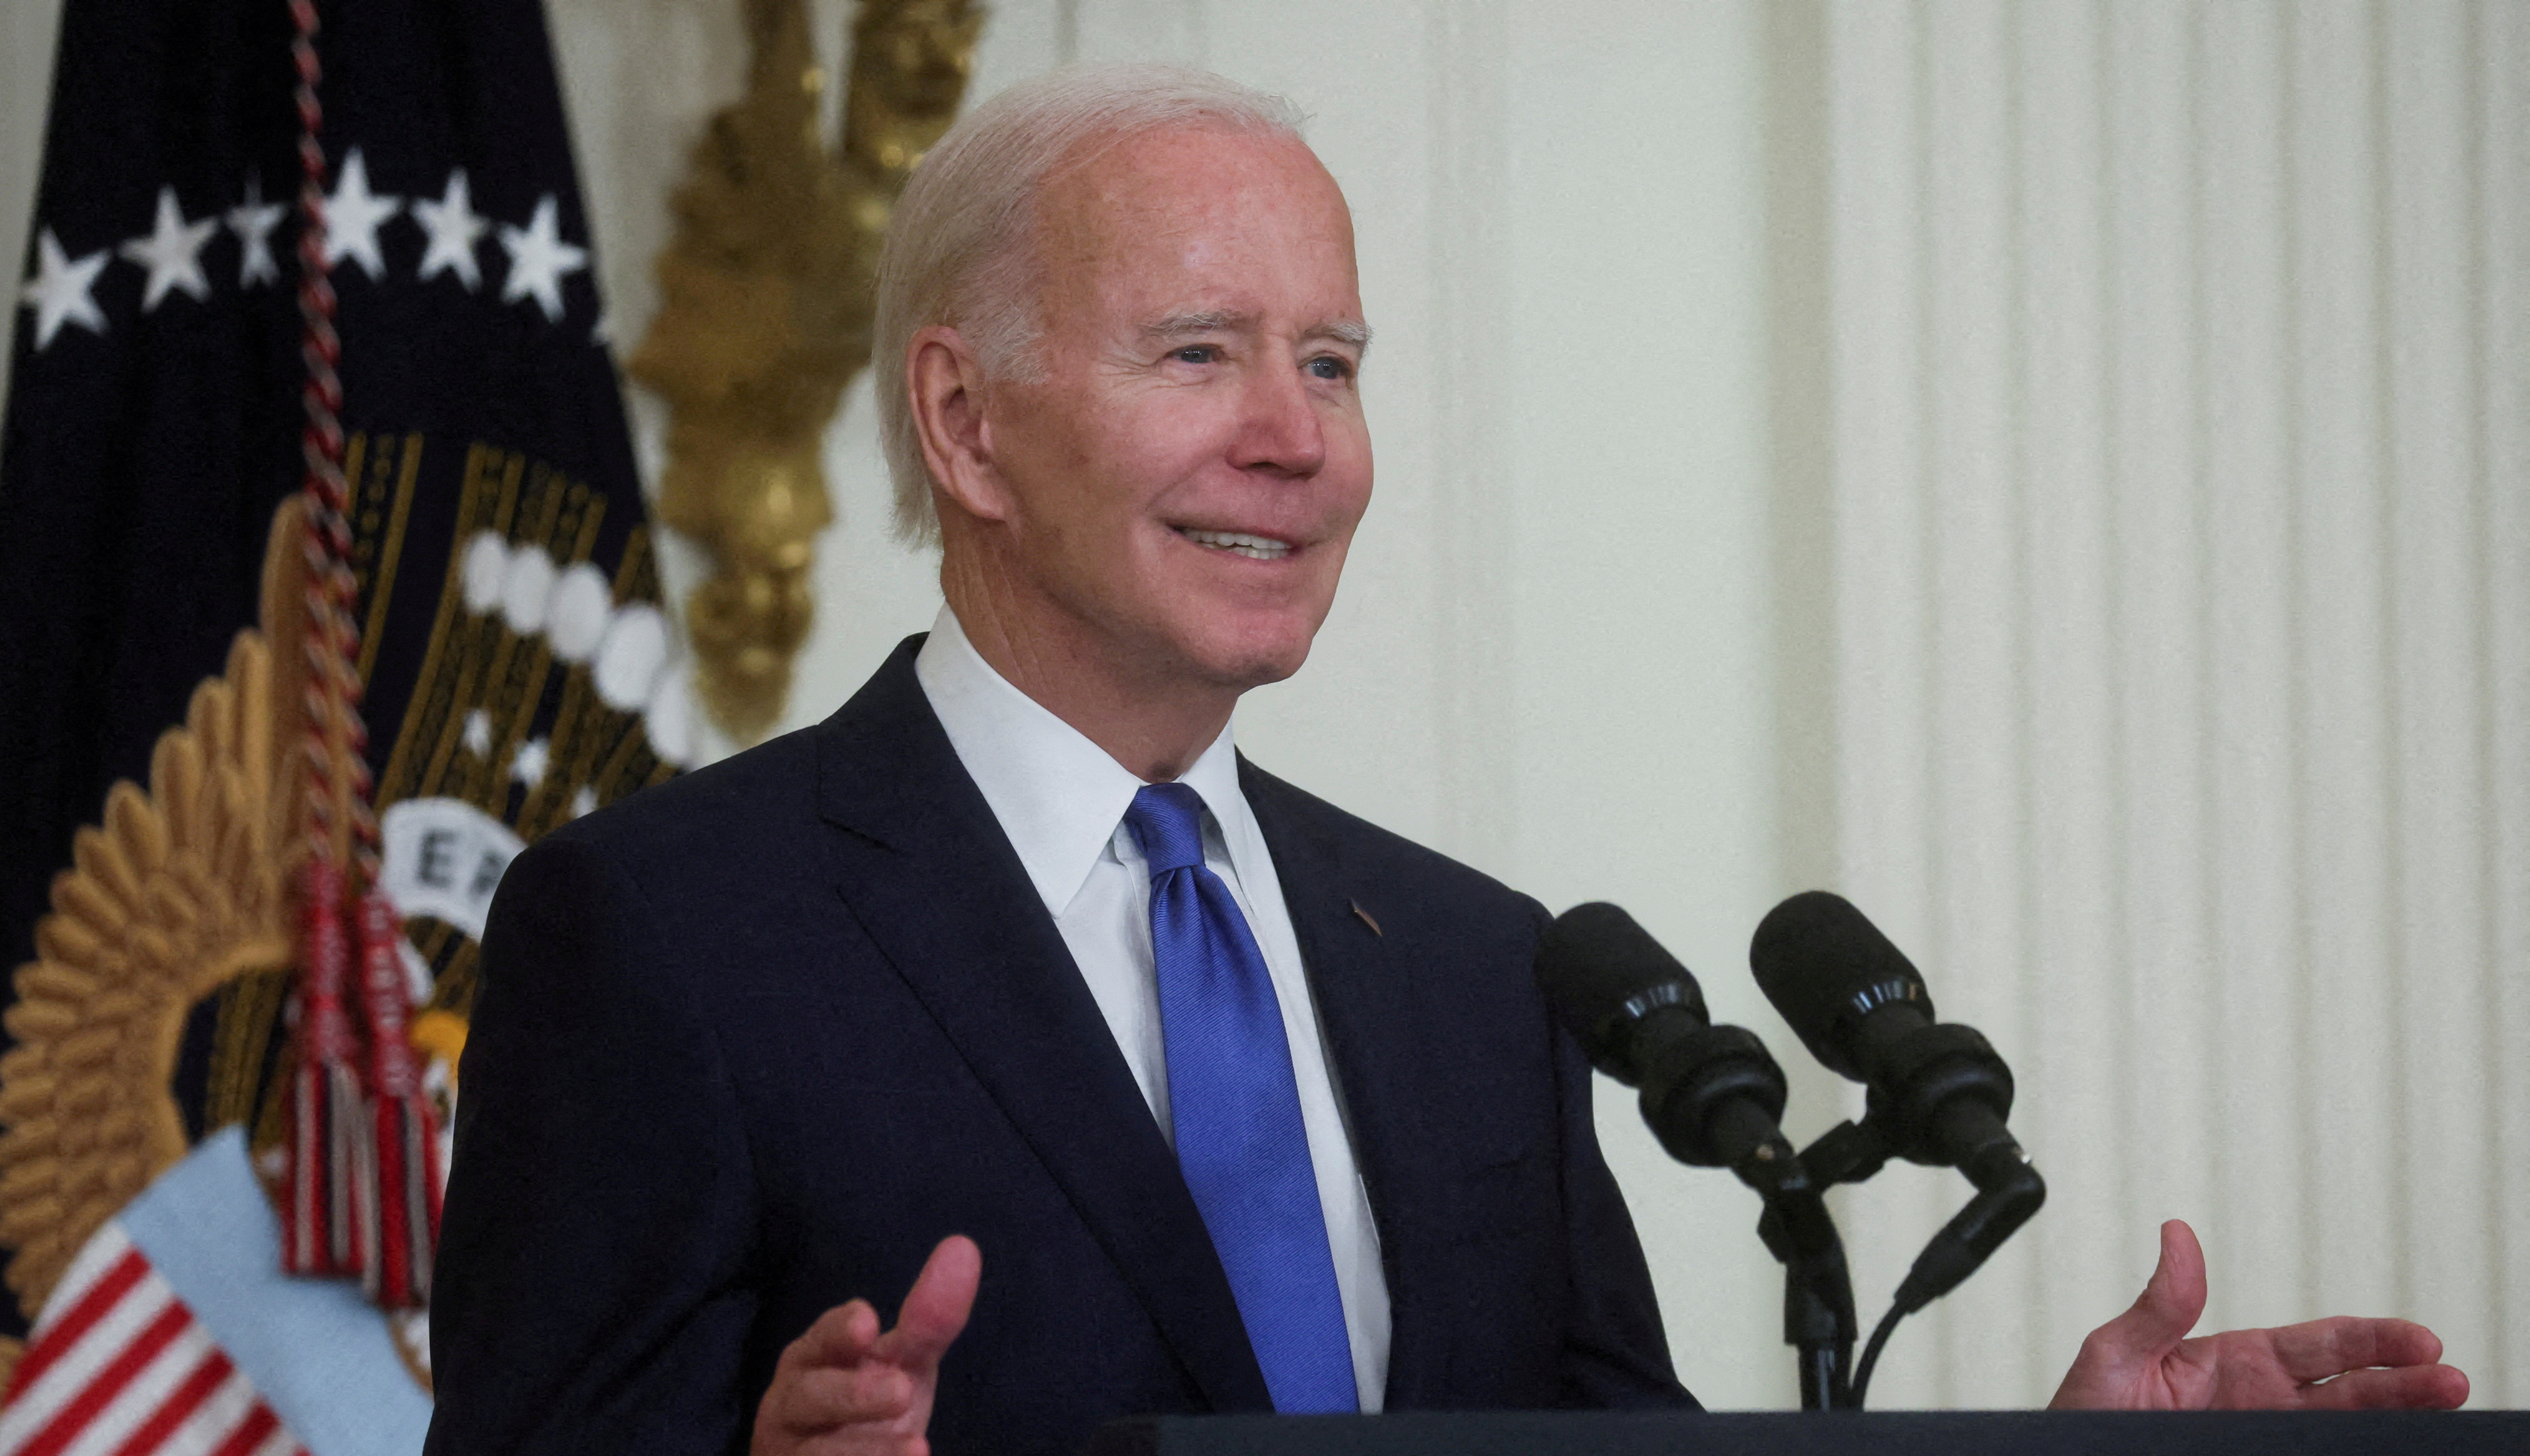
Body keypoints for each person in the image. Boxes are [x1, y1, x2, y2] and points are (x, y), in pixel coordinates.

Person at [423, 65, 2467, 1456]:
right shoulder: (672, 934)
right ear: (966, 425)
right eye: (1201, 353)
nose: (1298, 440)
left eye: (1332, 363)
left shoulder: (1482, 966)